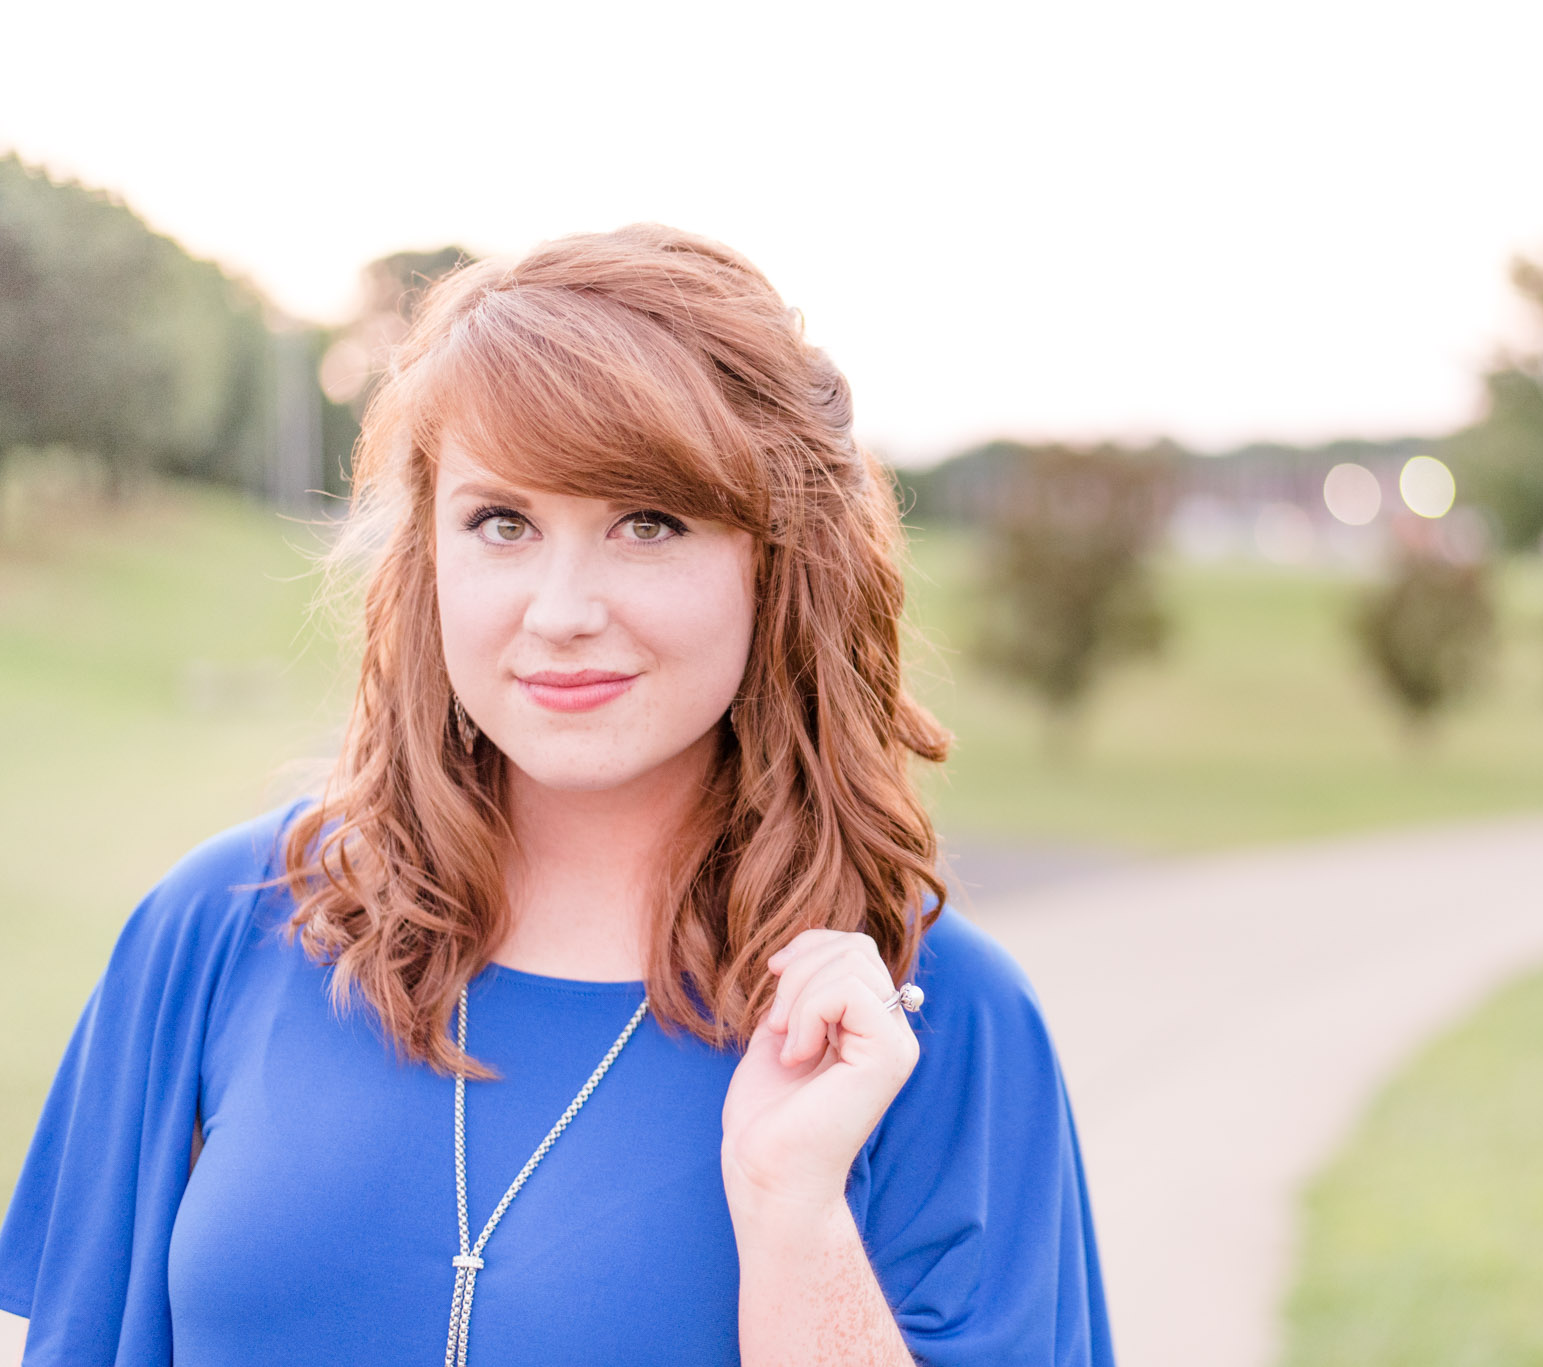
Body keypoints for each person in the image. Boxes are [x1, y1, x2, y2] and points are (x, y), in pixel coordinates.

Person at [0, 226, 1113, 1366]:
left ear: (780, 563)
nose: (562, 606)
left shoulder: (923, 1020)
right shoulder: (225, 927)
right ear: (429, 554)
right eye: (503, 522)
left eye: (648, 522)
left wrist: (794, 1213)